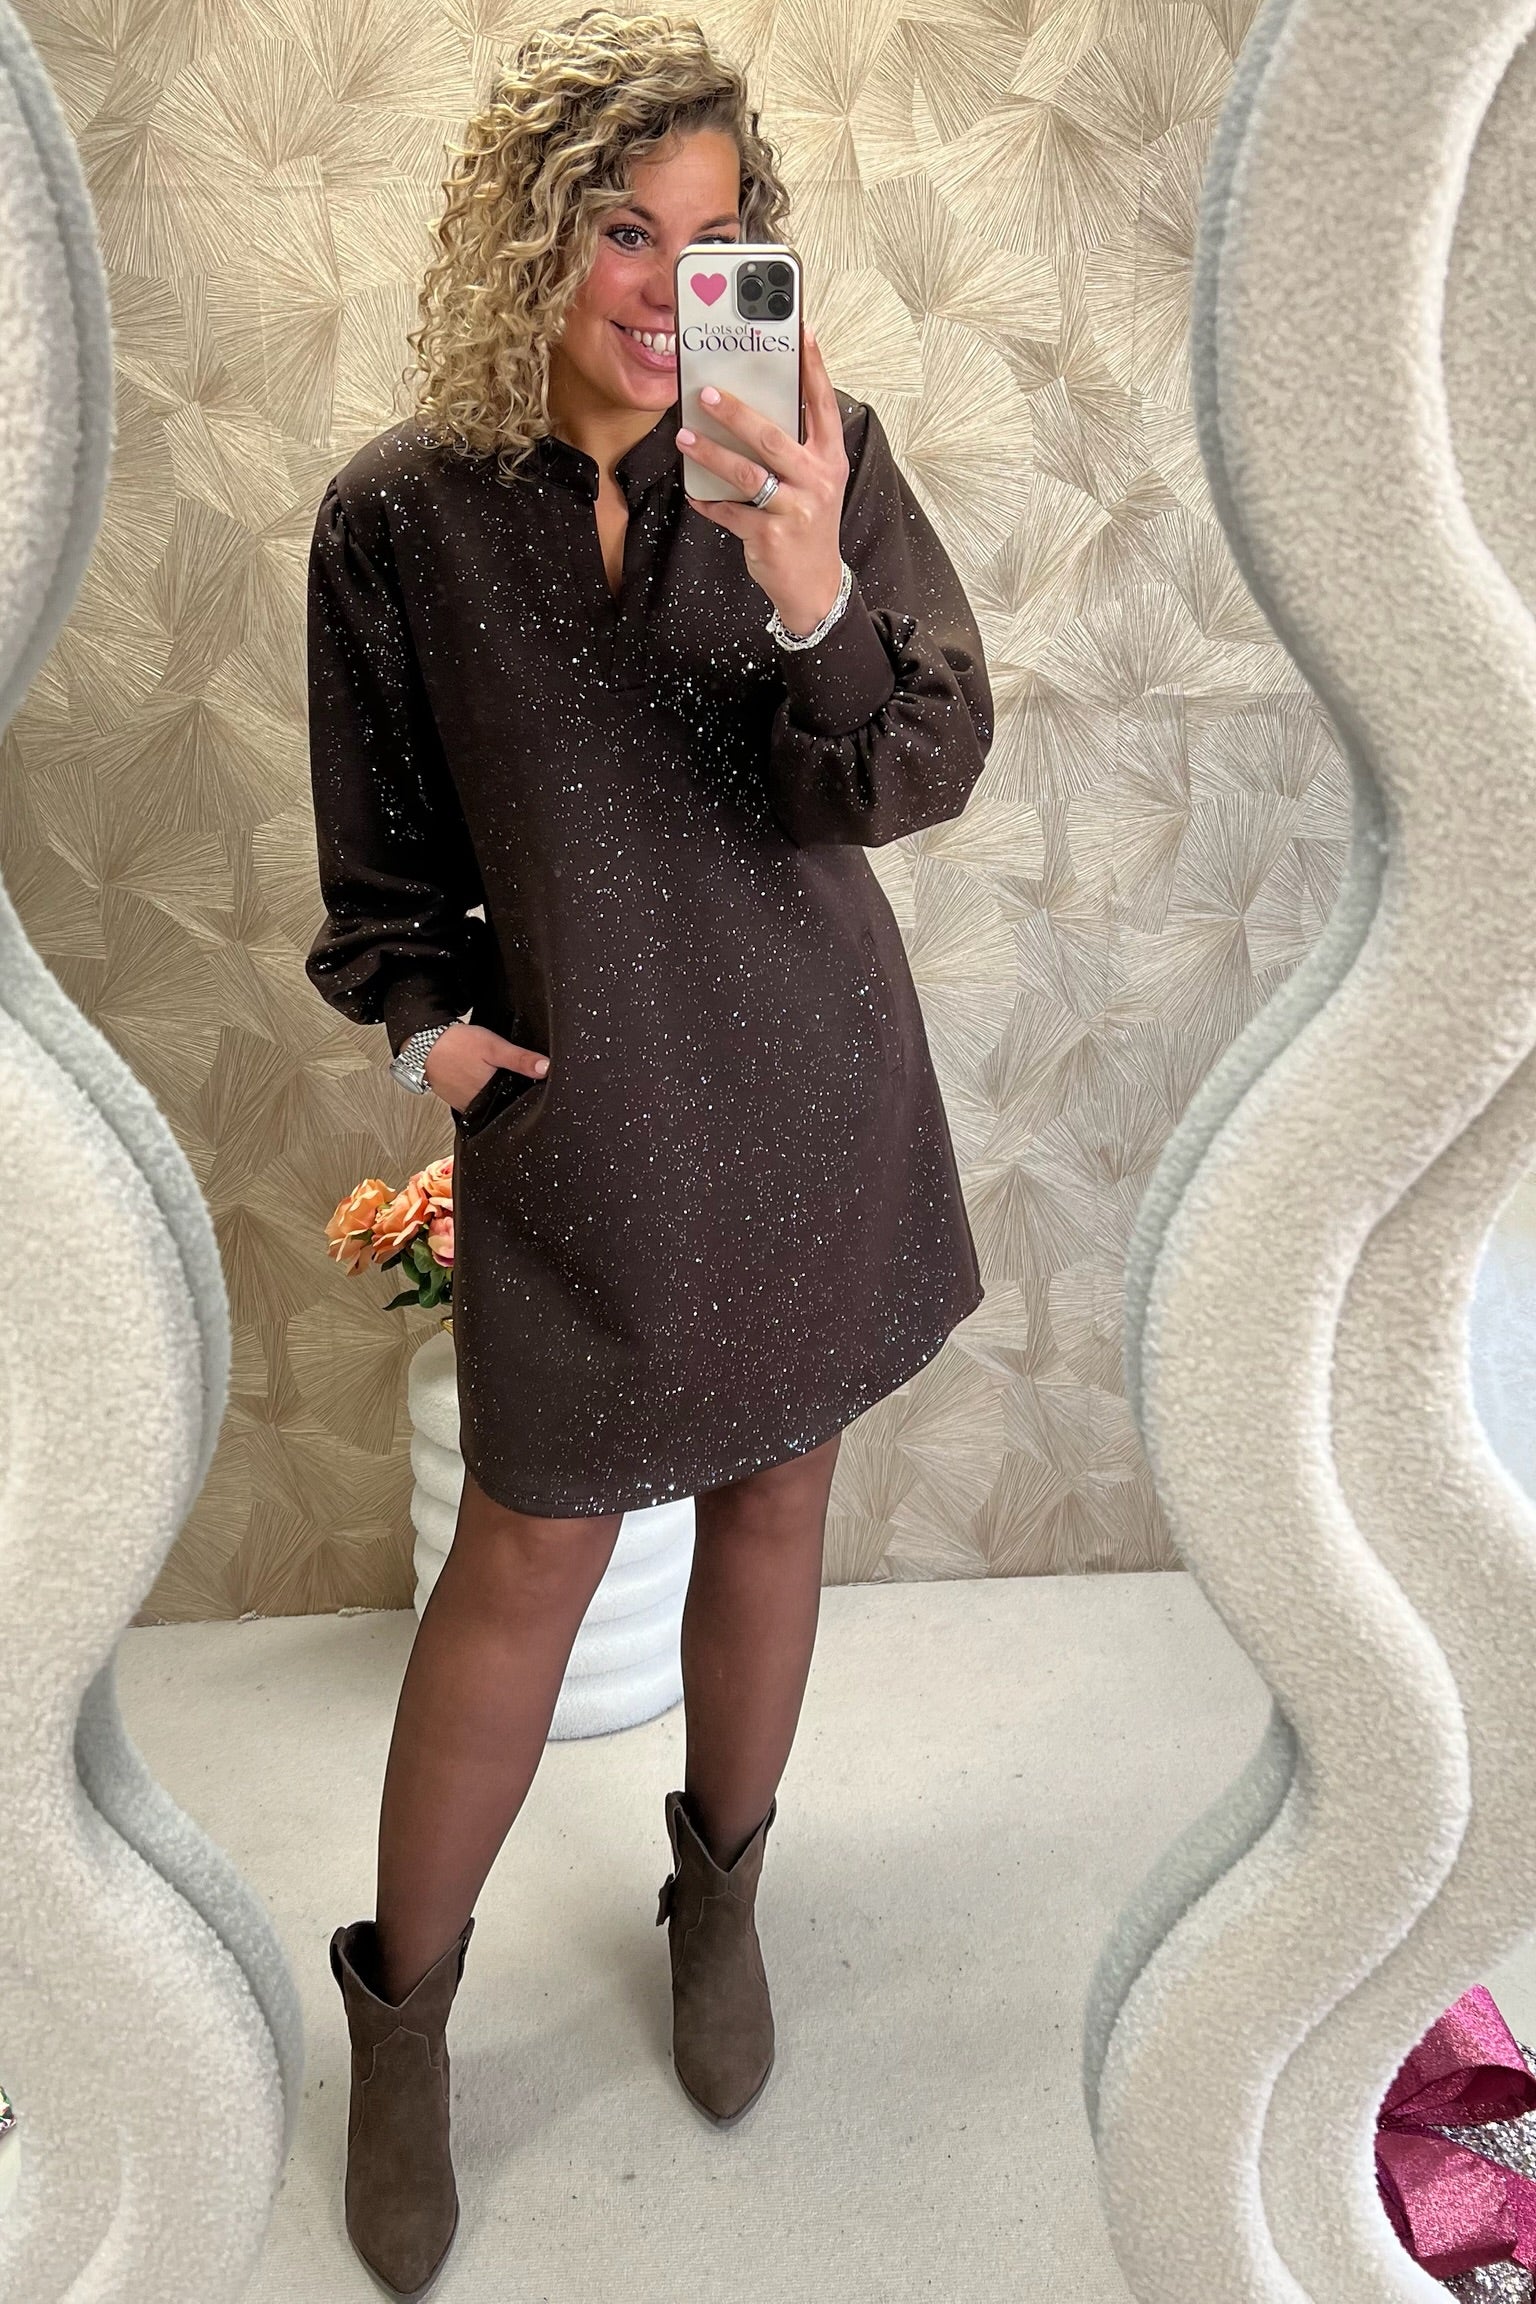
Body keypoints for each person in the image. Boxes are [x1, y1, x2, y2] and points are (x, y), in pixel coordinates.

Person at [302, 9, 993, 2295]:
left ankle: (721, 1896)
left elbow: (907, 771)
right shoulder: (402, 515)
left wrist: (809, 582)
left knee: (776, 1497)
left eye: (714, 240)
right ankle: (404, 2022)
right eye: (624, 227)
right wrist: (436, 1038)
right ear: (535, 232)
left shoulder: (819, 456)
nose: (667, 285)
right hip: (586, 1115)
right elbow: (384, 866)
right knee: (524, 1556)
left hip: (809, 1078)